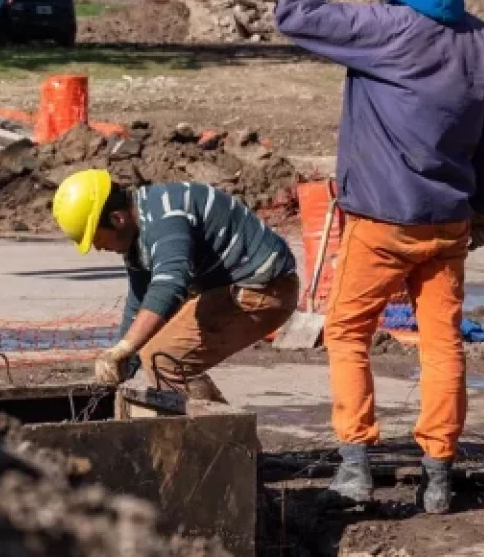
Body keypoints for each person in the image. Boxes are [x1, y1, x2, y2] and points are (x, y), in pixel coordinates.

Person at [274, 0, 484, 514]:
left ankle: (355, 468)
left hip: (381, 223)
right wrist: (483, 207)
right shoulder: (480, 40)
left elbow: (292, 14)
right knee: (442, 345)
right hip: (449, 222)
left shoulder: (382, 28)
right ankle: (438, 476)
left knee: (349, 332)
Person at [51, 170, 300, 401]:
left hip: (264, 289)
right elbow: (140, 301)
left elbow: (170, 284)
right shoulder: (139, 233)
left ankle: (221, 443)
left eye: (95, 237)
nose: (97, 247)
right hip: (235, 288)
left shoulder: (165, 216)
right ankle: (227, 438)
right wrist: (122, 361)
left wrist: (126, 347)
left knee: (164, 361)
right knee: (162, 356)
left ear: (117, 219)